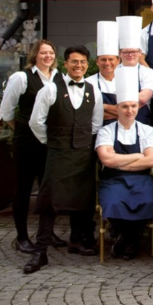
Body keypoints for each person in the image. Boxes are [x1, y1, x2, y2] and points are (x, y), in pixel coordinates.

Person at [25, 45, 104, 274]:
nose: (78, 66)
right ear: (65, 63)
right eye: (74, 62)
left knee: (83, 199)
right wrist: (52, 142)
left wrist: (83, 142)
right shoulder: (50, 89)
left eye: (82, 62)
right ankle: (40, 251)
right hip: (58, 153)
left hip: (83, 154)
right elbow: (35, 122)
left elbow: (96, 123)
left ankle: (79, 240)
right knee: (49, 202)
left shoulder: (93, 90)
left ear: (87, 64)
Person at [0, 39, 63, 255]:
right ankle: (21, 236)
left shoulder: (59, 78)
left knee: (48, 190)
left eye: (51, 52)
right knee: (24, 190)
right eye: (43, 53)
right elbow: (6, 112)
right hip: (26, 143)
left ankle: (46, 232)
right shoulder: (21, 78)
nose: (47, 56)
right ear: (34, 55)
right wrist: (23, 129)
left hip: (51, 143)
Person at [94, 67, 153, 260]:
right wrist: (138, 156)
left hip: (141, 179)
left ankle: (125, 238)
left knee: (147, 199)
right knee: (114, 201)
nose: (129, 110)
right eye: (125, 106)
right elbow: (106, 160)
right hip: (113, 180)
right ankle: (130, 239)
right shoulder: (106, 131)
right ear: (117, 108)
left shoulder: (147, 130)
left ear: (138, 107)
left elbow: (151, 160)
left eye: (133, 106)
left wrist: (119, 161)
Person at [116, 16, 153, 127]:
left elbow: (144, 98)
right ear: (120, 53)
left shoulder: (149, 72)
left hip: (141, 121)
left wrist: (119, 99)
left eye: (134, 52)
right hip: (114, 121)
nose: (130, 55)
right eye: (126, 52)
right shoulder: (113, 71)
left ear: (140, 52)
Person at [87, 21, 119, 127]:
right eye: (103, 59)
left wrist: (101, 107)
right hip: (97, 129)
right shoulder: (88, 82)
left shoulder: (125, 81)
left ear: (118, 61)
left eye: (111, 59)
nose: (107, 63)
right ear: (97, 61)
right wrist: (117, 111)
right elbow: (87, 113)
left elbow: (129, 113)